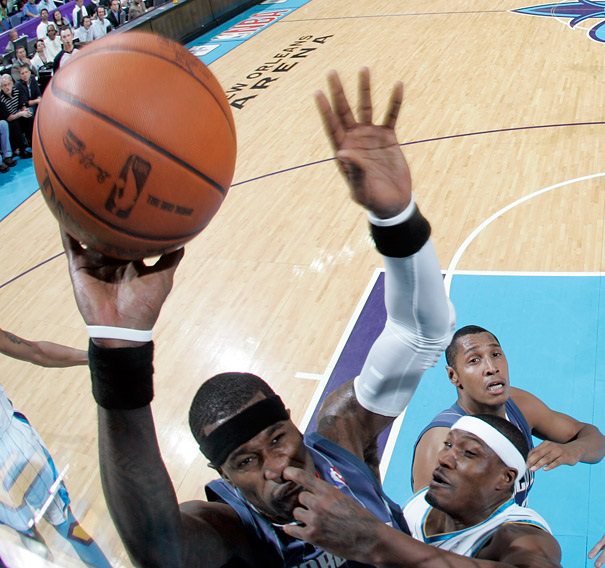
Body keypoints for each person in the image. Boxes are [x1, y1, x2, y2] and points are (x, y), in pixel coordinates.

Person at [61, 67, 456, 567]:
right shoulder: (234, 532)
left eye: (277, 438)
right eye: (246, 462)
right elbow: (159, 547)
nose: (277, 467)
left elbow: (423, 334)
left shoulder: (342, 439)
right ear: (224, 478)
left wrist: (396, 218)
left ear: (294, 421)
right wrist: (118, 348)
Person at [282, 414, 562, 566]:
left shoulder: (518, 535)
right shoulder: (426, 503)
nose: (444, 458)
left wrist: (374, 539)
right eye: (449, 445)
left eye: (468, 454)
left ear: (504, 478)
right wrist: (369, 482)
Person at [411, 325, 605, 505]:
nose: (491, 367)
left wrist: (574, 450)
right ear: (454, 376)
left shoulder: (519, 405)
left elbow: (596, 441)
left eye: (495, 354)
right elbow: (429, 531)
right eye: (474, 360)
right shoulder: (442, 443)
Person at [0, 327, 111, 567]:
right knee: (69, 526)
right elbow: (35, 352)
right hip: (20, 447)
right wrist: (92, 357)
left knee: (27, 535)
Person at [0, 73, 32, 157]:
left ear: (12, 83)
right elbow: (9, 118)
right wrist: (21, 113)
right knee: (15, 123)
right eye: (4, 85)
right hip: (9, 121)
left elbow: (22, 105)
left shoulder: (17, 91)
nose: (7, 87)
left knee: (29, 116)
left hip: (17, 114)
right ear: (1, 88)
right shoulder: (1, 99)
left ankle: (32, 141)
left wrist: (24, 110)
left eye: (9, 84)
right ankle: (22, 150)